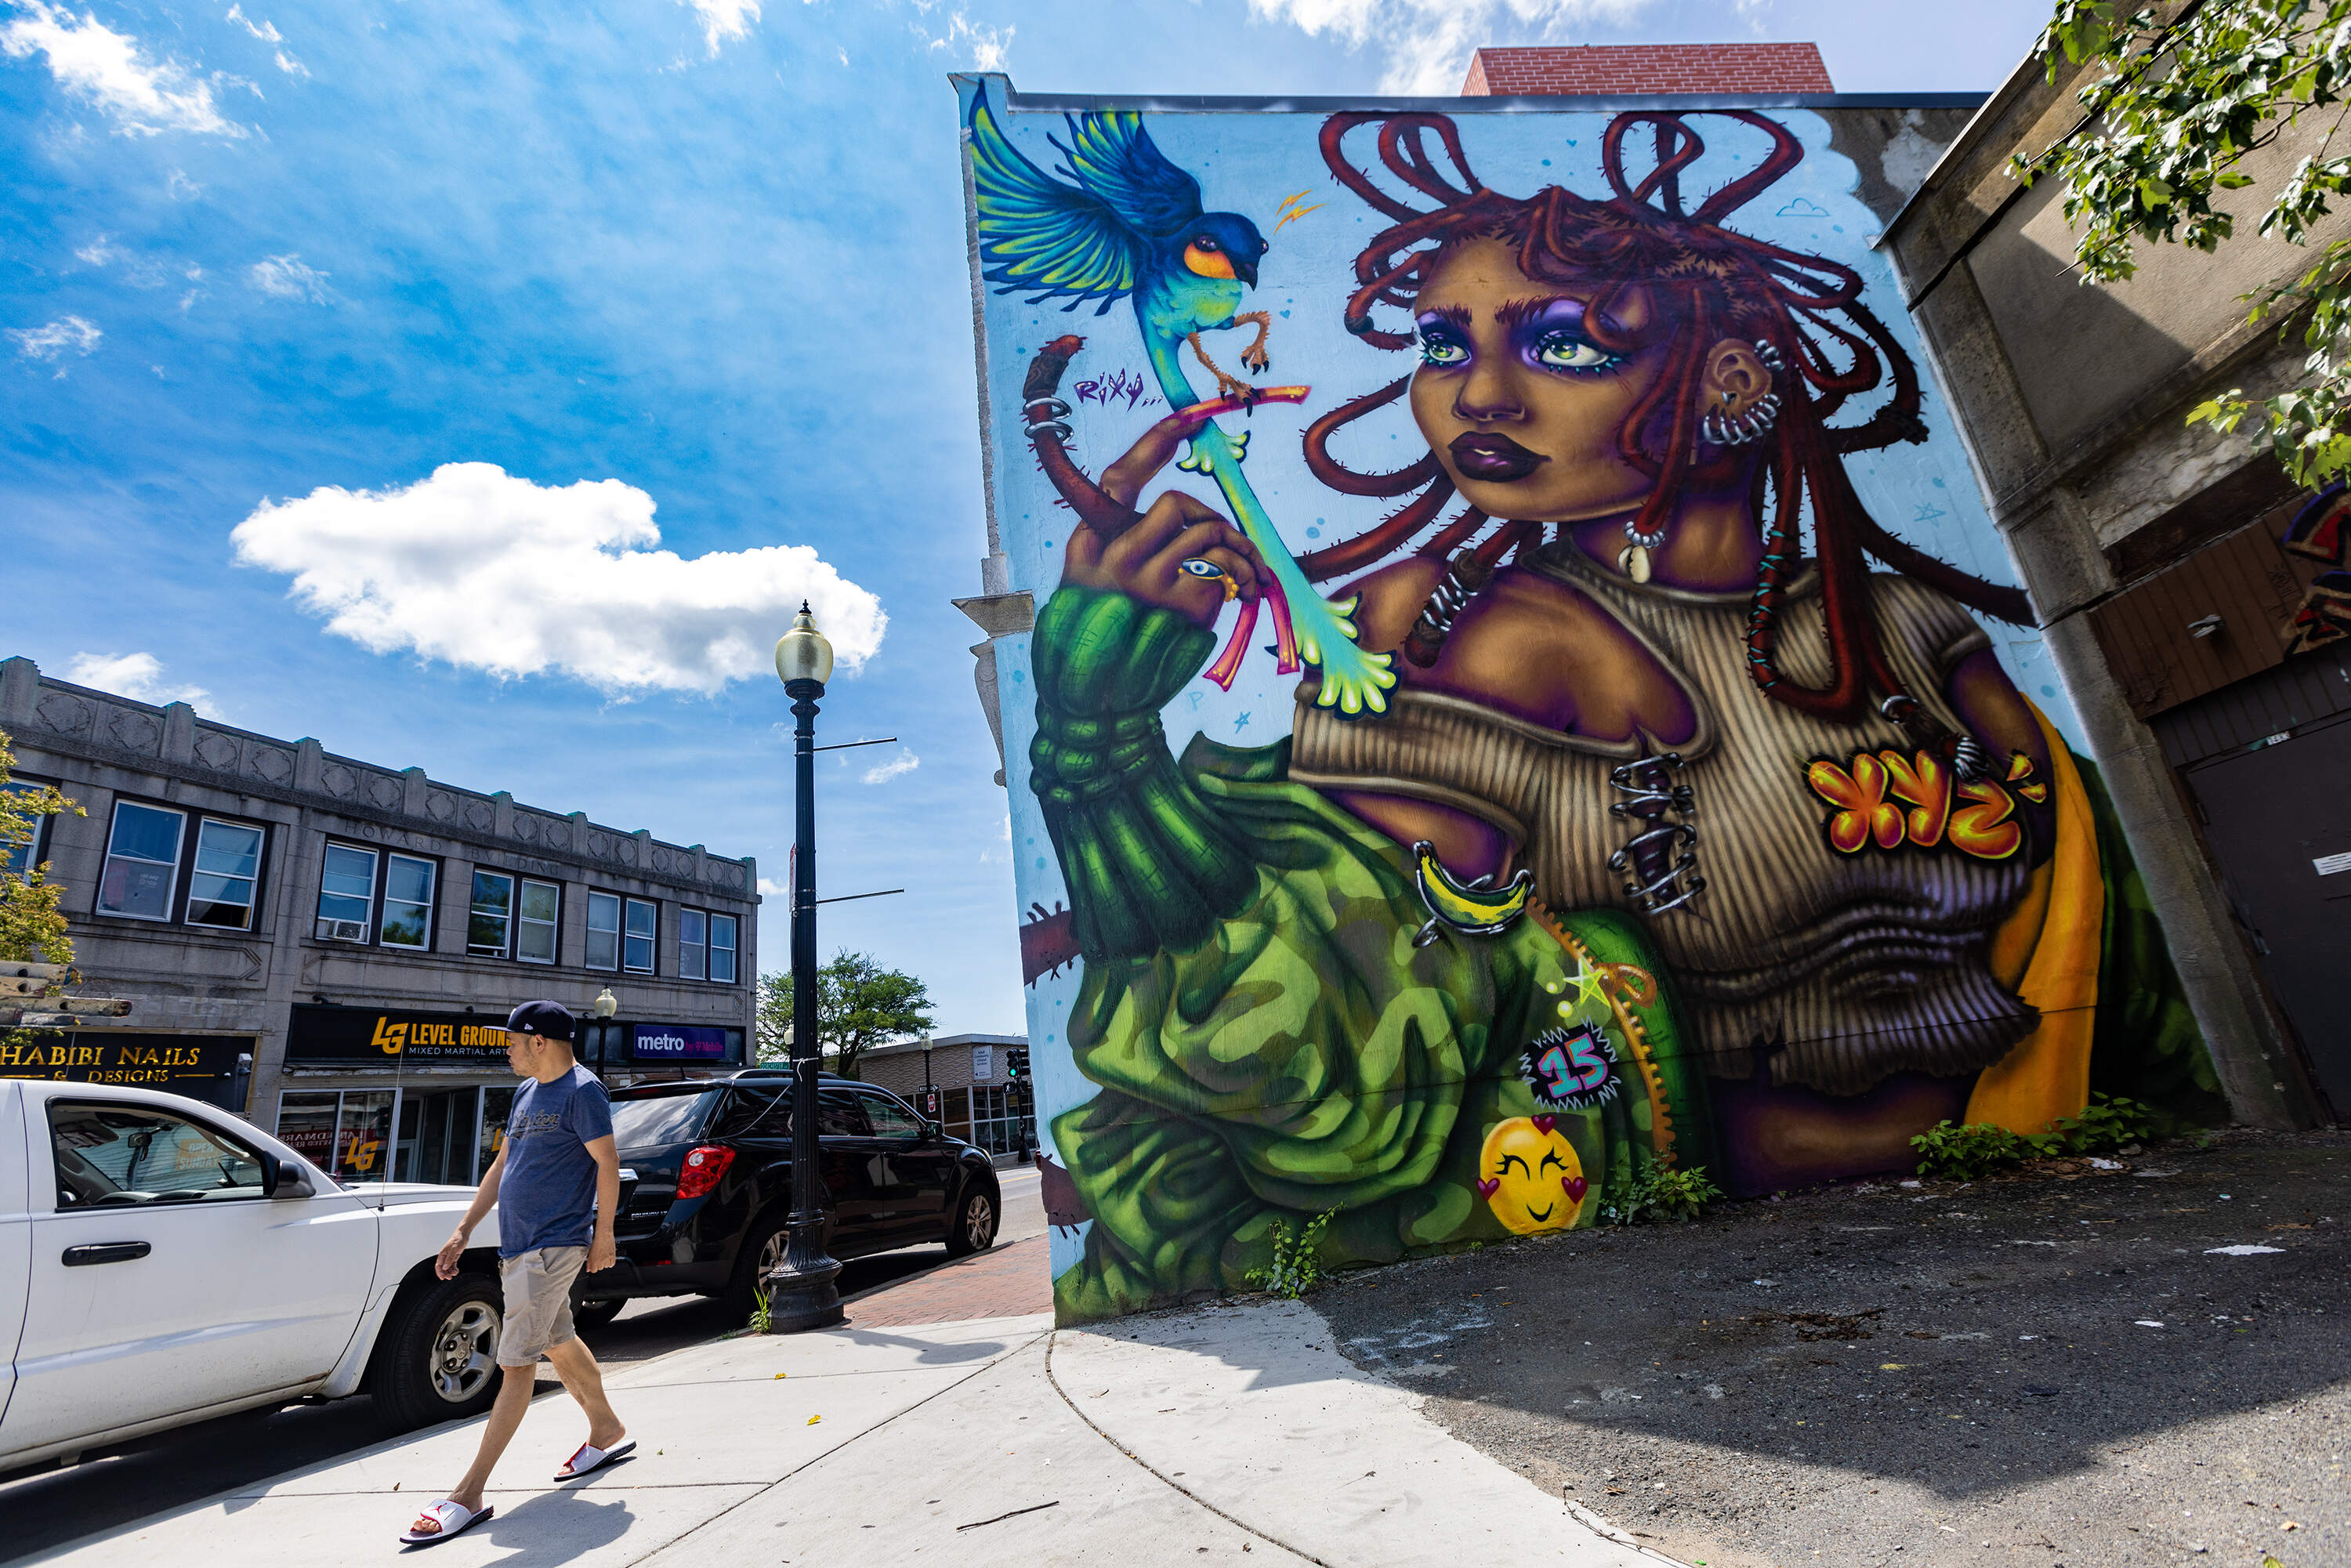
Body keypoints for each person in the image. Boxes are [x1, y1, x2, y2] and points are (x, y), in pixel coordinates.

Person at [1023, 108, 2215, 1322]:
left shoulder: (1907, 632)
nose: (1479, 391)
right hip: (1715, 1296)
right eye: (1443, 343)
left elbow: (2113, 949)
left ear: (1729, 373)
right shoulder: (1463, 638)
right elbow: (1317, 1051)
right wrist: (1097, 748)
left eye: (1566, 345)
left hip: (2049, 1235)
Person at [400, 1000, 632, 1545]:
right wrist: (463, 1229)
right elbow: (504, 1165)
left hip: (552, 1247)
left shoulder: (583, 1091)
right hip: (519, 1246)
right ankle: (607, 1428)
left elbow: (607, 1163)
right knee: (558, 1340)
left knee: (516, 1362)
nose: (504, 1047)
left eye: (511, 1039)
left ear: (539, 1041)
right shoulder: (528, 1092)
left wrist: (604, 1234)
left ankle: (468, 1493)